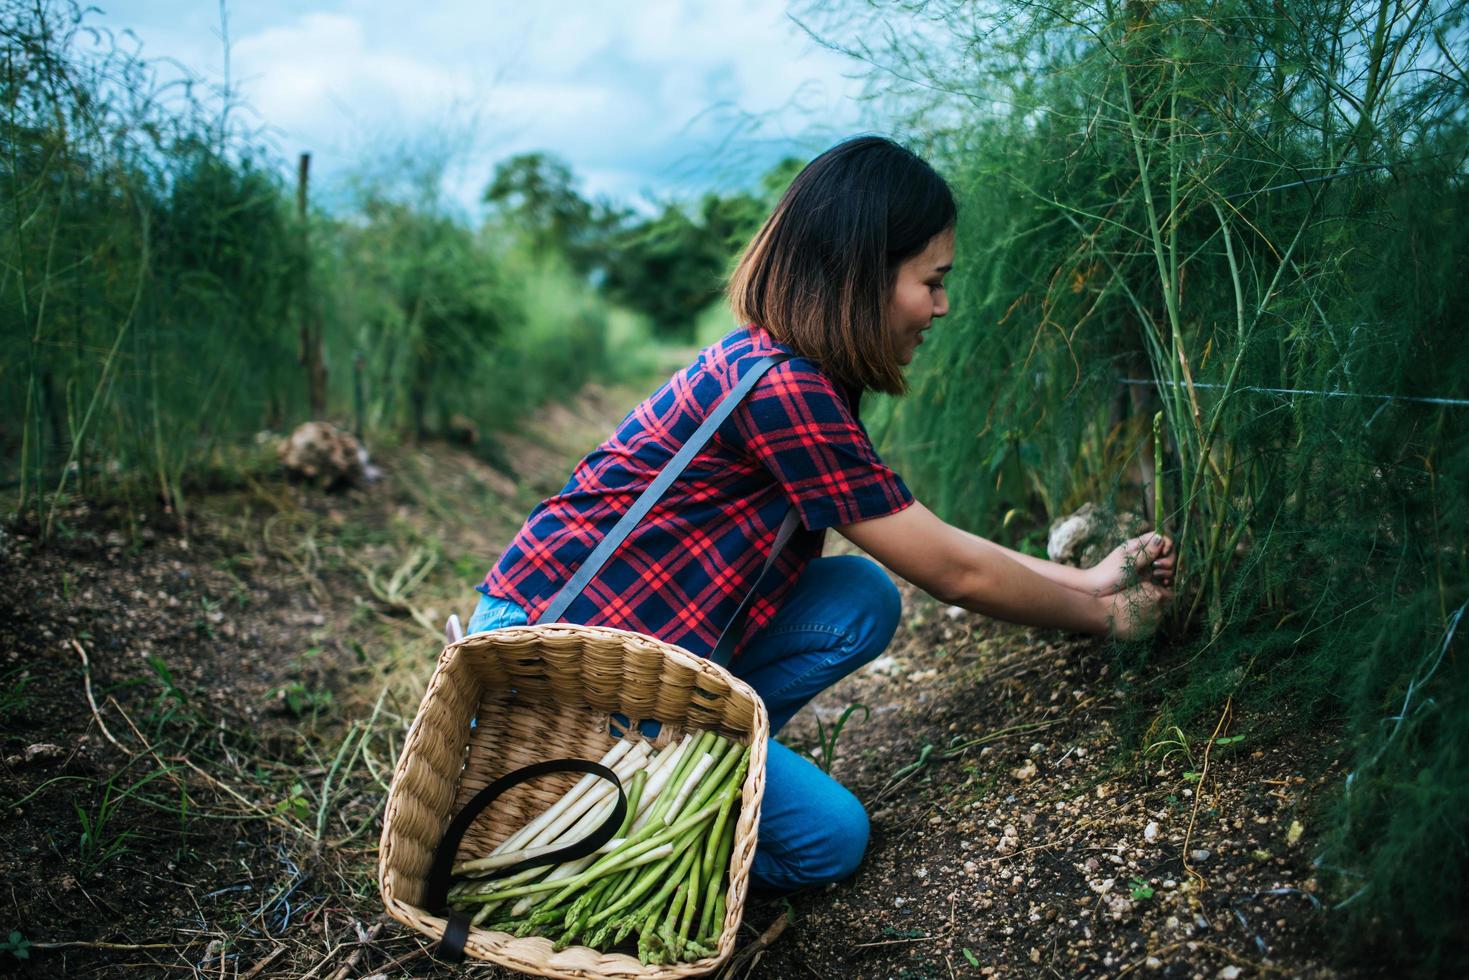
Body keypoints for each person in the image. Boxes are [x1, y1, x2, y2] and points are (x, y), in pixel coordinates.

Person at [467, 135, 1174, 893]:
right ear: (861, 274)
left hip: (627, 646)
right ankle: (631, 822)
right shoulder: (782, 390)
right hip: (554, 668)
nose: (942, 305)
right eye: (931, 280)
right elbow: (955, 572)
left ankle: (685, 764)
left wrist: (1090, 581)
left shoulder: (786, 368)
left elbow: (924, 533)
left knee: (858, 597)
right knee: (829, 841)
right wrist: (1105, 619)